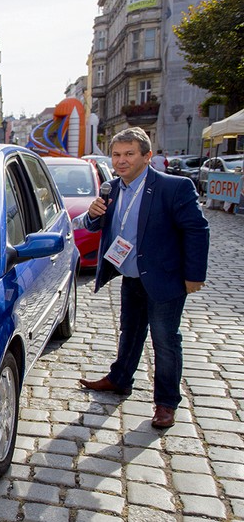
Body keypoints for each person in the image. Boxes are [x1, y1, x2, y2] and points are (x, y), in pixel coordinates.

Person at [77, 127, 209, 429]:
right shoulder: (111, 188)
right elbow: (92, 225)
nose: (121, 161)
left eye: (129, 154)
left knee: (164, 340)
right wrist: (94, 214)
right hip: (131, 274)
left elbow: (197, 230)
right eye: (116, 155)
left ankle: (166, 403)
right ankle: (120, 379)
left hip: (165, 278)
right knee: (130, 330)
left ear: (147, 156)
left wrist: (194, 275)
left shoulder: (173, 187)